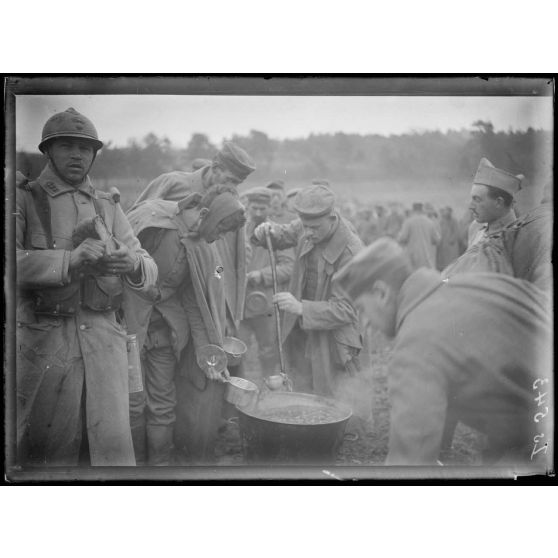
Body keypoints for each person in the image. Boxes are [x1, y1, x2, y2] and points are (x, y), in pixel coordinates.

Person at [15, 107, 158, 466]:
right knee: (48, 454)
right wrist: (68, 261)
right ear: (48, 151)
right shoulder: (24, 198)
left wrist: (132, 263)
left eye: (85, 148)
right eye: (66, 146)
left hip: (104, 345)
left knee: (108, 453)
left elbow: (147, 264)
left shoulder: (107, 205)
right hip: (46, 343)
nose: (77, 155)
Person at [333, 238, 552, 468]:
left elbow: (410, 464)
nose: (366, 324)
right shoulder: (478, 284)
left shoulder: (415, 345)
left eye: (362, 309)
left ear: (381, 293)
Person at [123, 186, 246, 465]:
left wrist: (209, 354)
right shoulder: (156, 224)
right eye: (222, 228)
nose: (221, 236)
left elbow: (195, 301)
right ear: (204, 214)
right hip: (127, 331)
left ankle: (160, 470)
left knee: (163, 406)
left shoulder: (201, 243)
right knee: (131, 404)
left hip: (165, 333)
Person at [129, 142, 256, 364]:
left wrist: (222, 297)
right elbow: (135, 223)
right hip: (160, 291)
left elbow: (230, 257)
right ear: (215, 167)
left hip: (202, 289)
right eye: (230, 180)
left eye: (238, 183)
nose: (234, 188)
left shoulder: (231, 202)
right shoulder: (173, 183)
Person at [252, 184, 363, 399]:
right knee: (302, 386)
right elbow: (284, 233)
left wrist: (301, 307)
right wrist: (268, 230)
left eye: (314, 228)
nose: (308, 232)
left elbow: (347, 310)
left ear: (333, 217)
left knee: (335, 397)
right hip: (304, 328)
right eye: (306, 226)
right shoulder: (309, 223)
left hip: (334, 336)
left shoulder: (352, 252)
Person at [239, 187, 294, 376]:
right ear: (247, 206)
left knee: (268, 350)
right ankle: (240, 390)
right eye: (255, 208)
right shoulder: (237, 231)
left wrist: (261, 275)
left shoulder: (276, 233)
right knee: (237, 349)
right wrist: (222, 275)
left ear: (270, 208)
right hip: (239, 303)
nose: (258, 213)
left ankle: (269, 390)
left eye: (263, 209)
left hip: (265, 304)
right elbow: (219, 265)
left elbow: (289, 267)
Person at [442, 158, 522, 278]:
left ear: (499, 202)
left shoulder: (519, 238)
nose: (470, 206)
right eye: (472, 199)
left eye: (477, 199)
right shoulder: (476, 227)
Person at [397, 202, 441, 269]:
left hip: (412, 258)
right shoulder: (430, 222)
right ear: (422, 210)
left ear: (413, 210)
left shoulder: (408, 222)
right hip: (427, 258)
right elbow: (437, 240)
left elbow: (402, 238)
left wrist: (399, 236)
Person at [436, 206, 460, 270]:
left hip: (451, 245)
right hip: (443, 245)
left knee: (451, 262)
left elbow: (456, 232)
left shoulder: (454, 221)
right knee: (443, 262)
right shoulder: (441, 221)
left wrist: (452, 240)